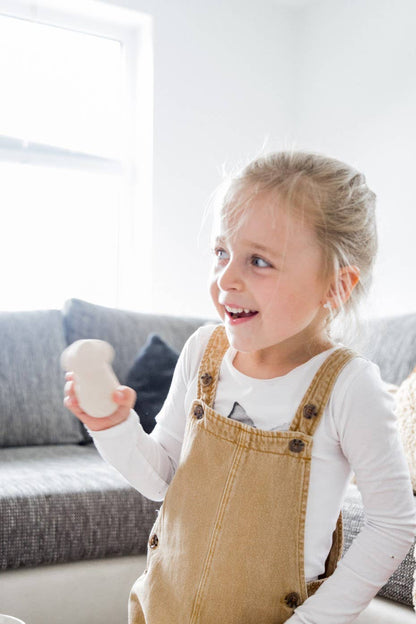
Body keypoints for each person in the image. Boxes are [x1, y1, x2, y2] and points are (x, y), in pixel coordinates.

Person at [64, 150, 416, 624]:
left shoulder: (349, 387)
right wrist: (111, 425)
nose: (226, 277)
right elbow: (159, 478)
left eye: (259, 261)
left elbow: (392, 523)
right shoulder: (202, 351)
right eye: (221, 252)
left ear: (335, 287)